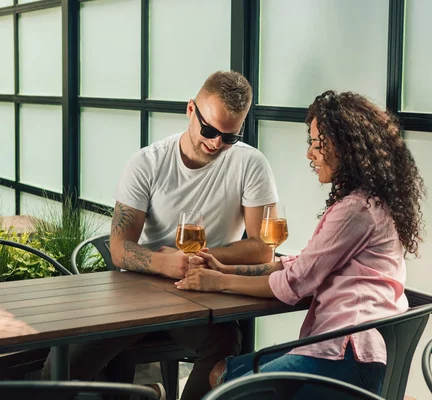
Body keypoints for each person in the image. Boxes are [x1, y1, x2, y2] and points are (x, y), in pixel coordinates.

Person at [42, 71, 279, 399]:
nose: (215, 143)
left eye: (229, 137)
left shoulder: (251, 164)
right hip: (136, 290)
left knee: (225, 346)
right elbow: (120, 248)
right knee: (64, 362)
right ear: (190, 110)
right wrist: (165, 264)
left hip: (204, 290)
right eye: (209, 130)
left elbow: (264, 249)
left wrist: (204, 259)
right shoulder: (147, 162)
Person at [175, 90, 426, 396]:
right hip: (363, 355)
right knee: (222, 372)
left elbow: (296, 282)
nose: (310, 153)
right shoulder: (375, 203)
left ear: (346, 147)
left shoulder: (356, 210)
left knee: (230, 383)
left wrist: (218, 282)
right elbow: (303, 264)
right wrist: (230, 268)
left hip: (344, 356)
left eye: (317, 143)